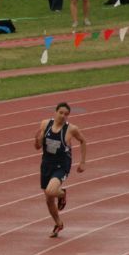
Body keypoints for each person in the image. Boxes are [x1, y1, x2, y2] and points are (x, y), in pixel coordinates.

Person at [33, 102, 87, 238]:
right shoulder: (45, 124)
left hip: (61, 165)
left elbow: (83, 141)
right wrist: (37, 140)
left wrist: (82, 162)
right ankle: (58, 223)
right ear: (55, 112)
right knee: (49, 199)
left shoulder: (71, 129)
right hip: (46, 164)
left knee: (51, 191)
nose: (63, 116)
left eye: (66, 114)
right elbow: (37, 147)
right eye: (61, 113)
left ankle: (62, 194)